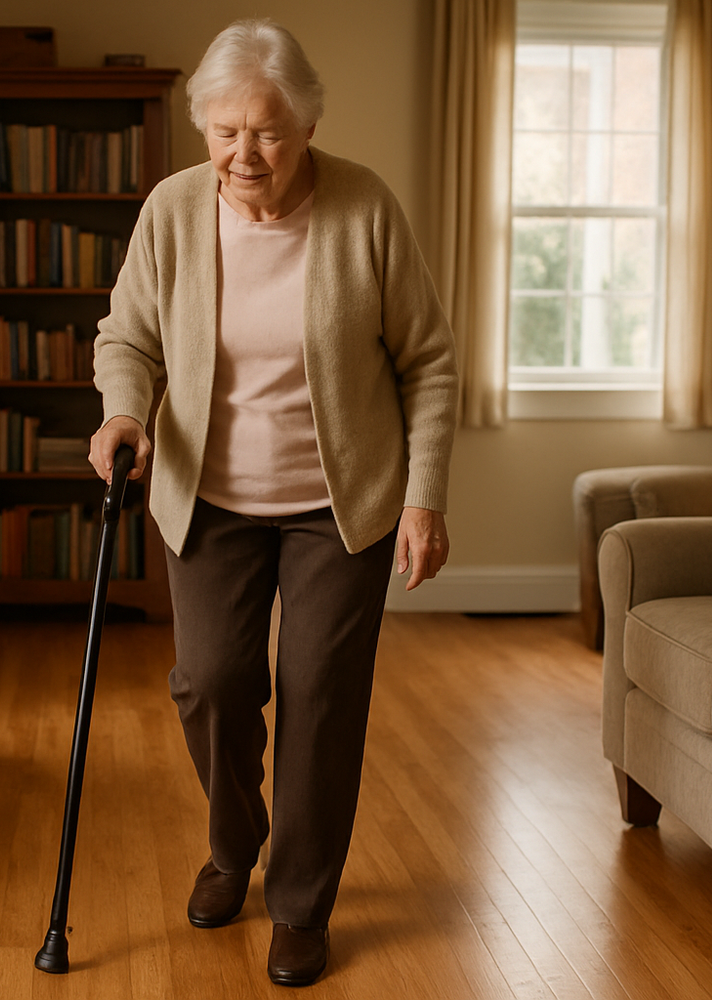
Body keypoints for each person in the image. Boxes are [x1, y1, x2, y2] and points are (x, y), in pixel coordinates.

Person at [89, 18, 459, 987]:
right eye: (223, 131)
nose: (242, 154)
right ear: (203, 128)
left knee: (319, 700)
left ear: (304, 127)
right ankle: (233, 837)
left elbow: (427, 361)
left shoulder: (363, 208)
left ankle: (298, 903)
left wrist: (423, 498)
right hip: (207, 498)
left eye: (266, 132)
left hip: (339, 508)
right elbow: (126, 335)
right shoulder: (173, 213)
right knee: (210, 683)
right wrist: (123, 413)